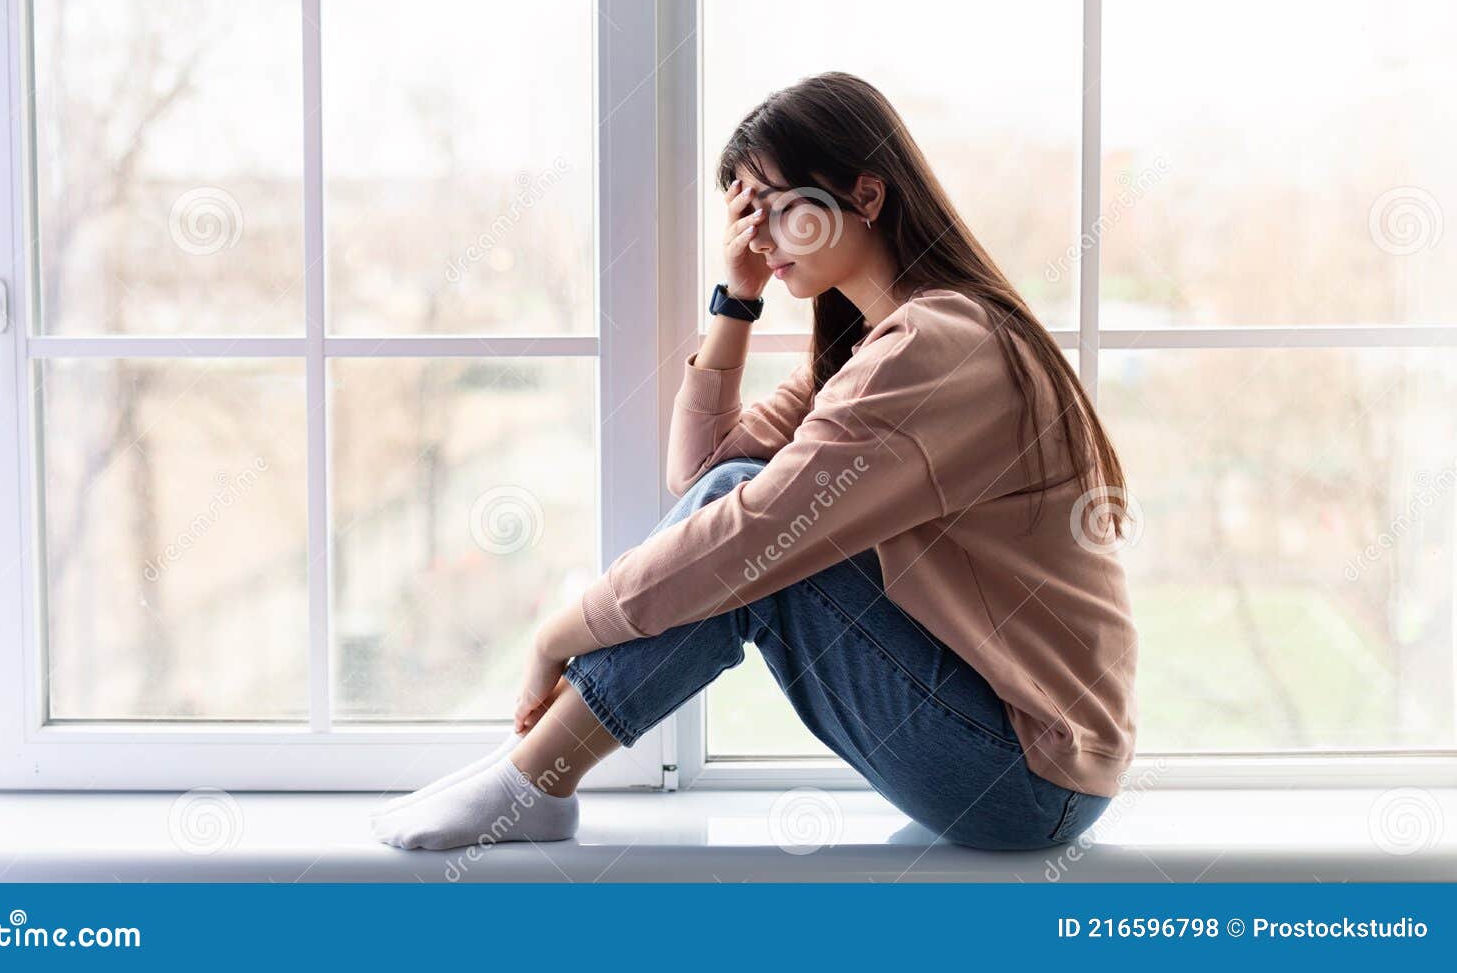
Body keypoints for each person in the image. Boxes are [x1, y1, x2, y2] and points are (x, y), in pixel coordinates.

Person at [371, 71, 1138, 853]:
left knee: (761, 536)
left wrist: (555, 635)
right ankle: (531, 775)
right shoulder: (880, 346)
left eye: (770, 207)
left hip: (1022, 775)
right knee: (740, 503)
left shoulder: (935, 347)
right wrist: (737, 297)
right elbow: (699, 468)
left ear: (865, 197)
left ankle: (532, 780)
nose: (753, 236)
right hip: (1017, 760)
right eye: (741, 214)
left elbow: (747, 525)